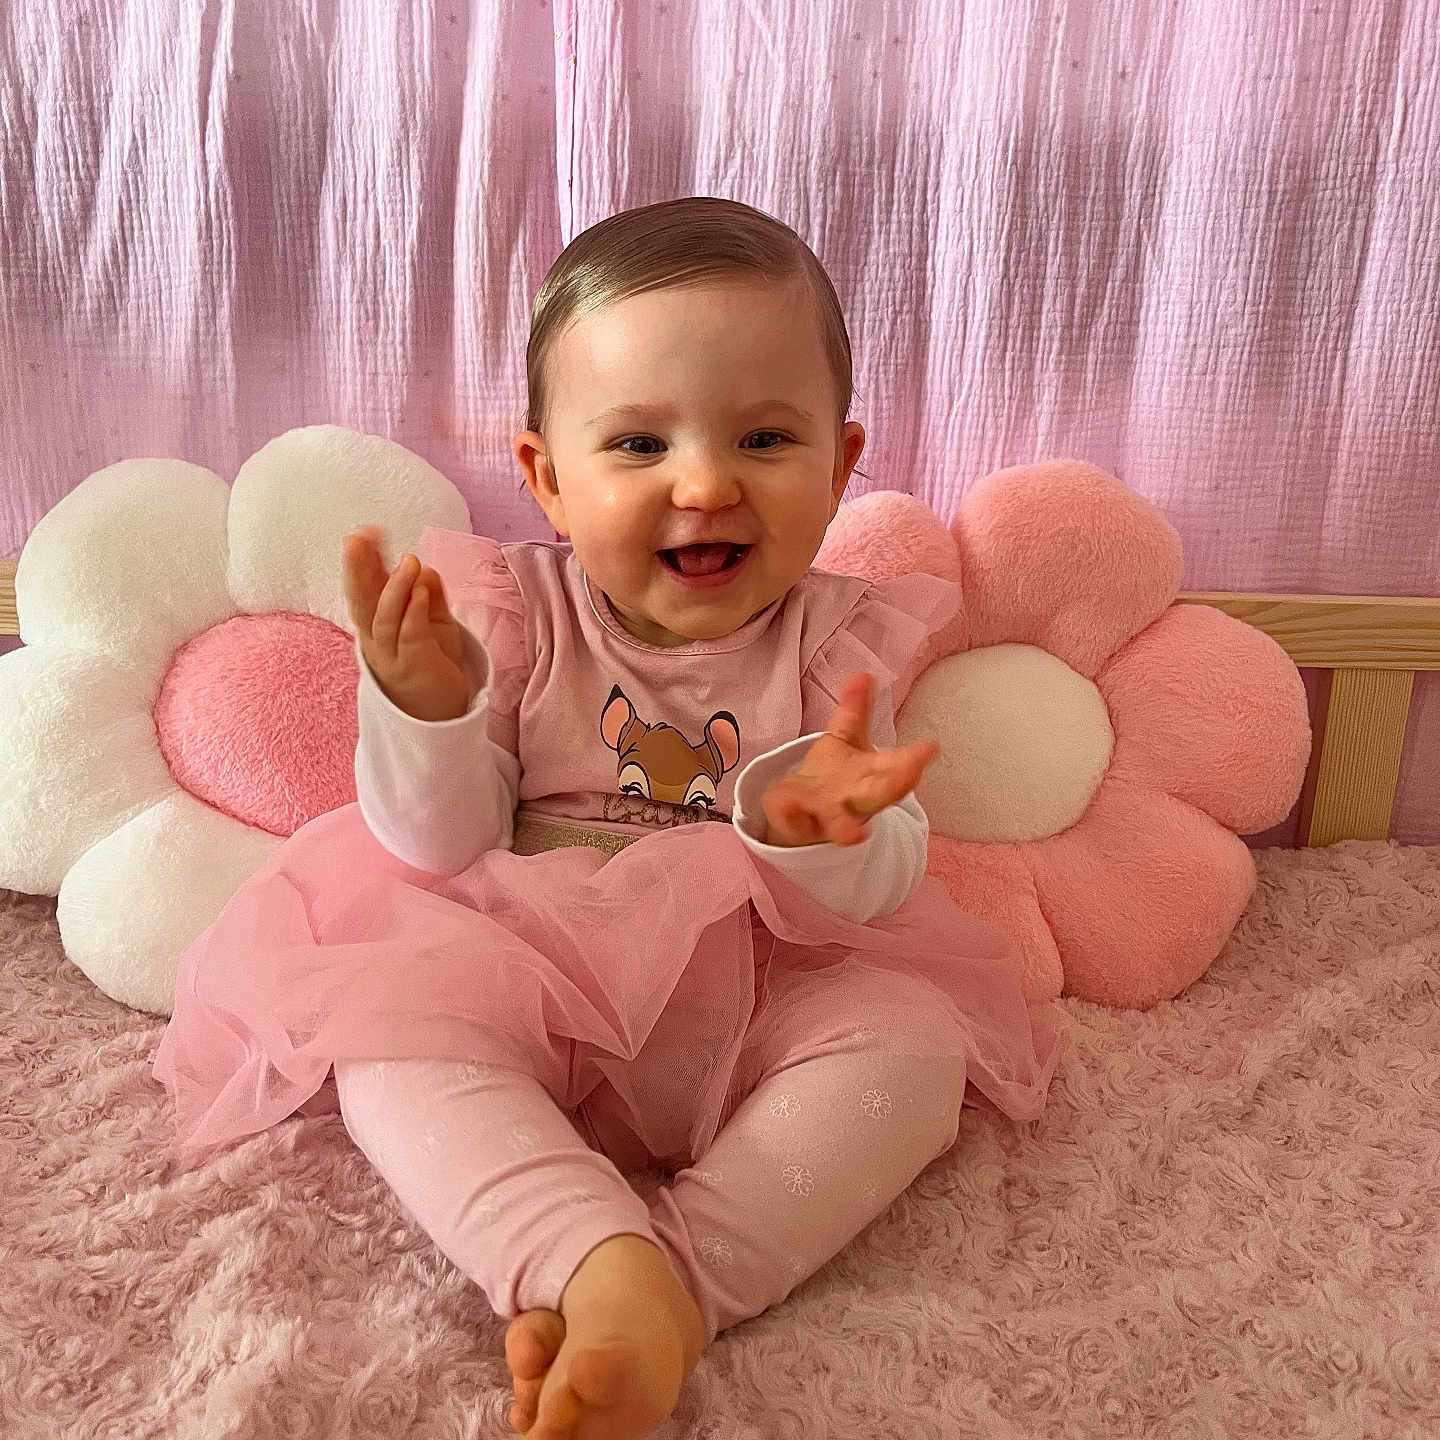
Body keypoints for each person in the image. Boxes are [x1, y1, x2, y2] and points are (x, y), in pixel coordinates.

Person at [153, 195, 1063, 1440]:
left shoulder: (839, 635)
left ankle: (671, 1286)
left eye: (762, 437)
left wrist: (823, 827)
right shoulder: (512, 610)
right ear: (548, 477)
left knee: (909, 1051)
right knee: (386, 1044)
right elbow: (442, 846)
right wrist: (427, 713)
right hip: (519, 962)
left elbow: (886, 883)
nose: (704, 483)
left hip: (758, 976)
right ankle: (584, 1252)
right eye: (637, 445)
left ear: (841, 467)